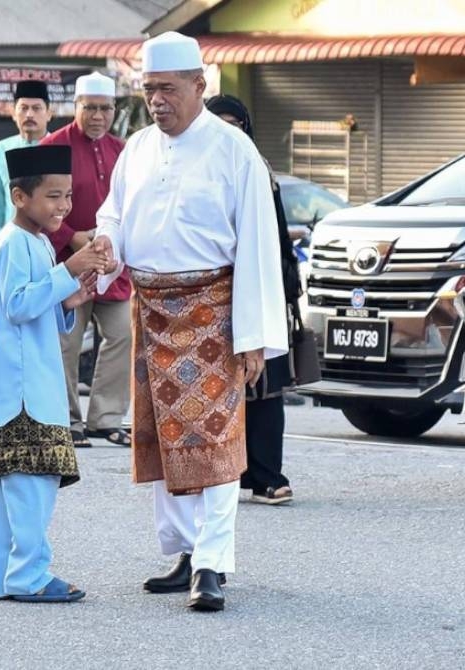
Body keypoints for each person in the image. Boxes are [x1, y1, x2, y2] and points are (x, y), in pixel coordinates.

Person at [93, 32, 288, 612]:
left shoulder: (234, 150)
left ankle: (212, 563)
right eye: (150, 90)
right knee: (161, 441)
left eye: (168, 89)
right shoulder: (137, 149)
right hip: (150, 308)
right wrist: (106, 244)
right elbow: (115, 214)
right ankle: (182, 552)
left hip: (214, 315)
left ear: (200, 86)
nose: (157, 101)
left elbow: (256, 245)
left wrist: (254, 338)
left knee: (216, 444)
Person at [0, 144, 108, 603]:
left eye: (66, 196)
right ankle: (27, 577)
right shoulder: (10, 242)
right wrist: (69, 270)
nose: (63, 205)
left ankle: (12, 577)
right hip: (19, 390)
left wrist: (69, 300)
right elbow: (20, 304)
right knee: (29, 483)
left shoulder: (37, 241)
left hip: (15, 384)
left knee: (13, 486)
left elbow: (34, 306)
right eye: (52, 196)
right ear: (20, 197)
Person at [206, 93, 300, 506]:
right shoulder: (198, 171)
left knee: (265, 385)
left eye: (236, 124)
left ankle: (266, 475)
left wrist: (288, 289)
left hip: (261, 285)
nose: (230, 133)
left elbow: (276, 234)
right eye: (220, 124)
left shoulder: (257, 167)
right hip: (211, 291)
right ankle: (226, 474)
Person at [41, 72, 132, 449]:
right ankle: (66, 420)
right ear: (75, 108)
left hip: (111, 264)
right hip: (67, 262)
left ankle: (105, 418)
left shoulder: (124, 150)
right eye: (90, 108)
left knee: (124, 333)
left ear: (114, 110)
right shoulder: (52, 146)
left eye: (105, 108)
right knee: (66, 342)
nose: (98, 116)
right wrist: (73, 238)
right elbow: (37, 205)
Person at [0, 80, 53, 280]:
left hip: (51, 245)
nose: (29, 114)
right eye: (23, 108)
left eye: (36, 108)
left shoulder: (58, 148)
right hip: (11, 246)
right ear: (13, 113)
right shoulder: (1, 150)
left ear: (49, 113)